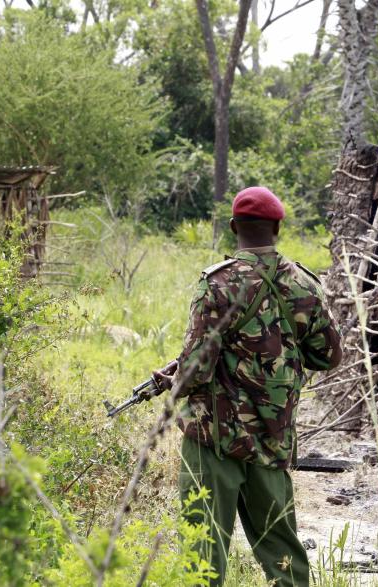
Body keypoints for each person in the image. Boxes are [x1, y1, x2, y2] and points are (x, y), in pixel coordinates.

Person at [154, 186, 342, 587]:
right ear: (278, 227)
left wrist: (173, 379)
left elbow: (196, 371)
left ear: (232, 226)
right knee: (282, 554)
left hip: (213, 440)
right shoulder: (304, 285)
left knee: (204, 553)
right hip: (271, 441)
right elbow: (329, 356)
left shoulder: (217, 284)